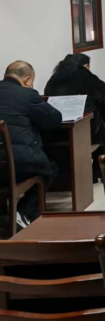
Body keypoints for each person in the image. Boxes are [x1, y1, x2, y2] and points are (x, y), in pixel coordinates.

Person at [0, 61, 62, 227]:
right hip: (16, 164)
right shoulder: (27, 95)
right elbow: (54, 119)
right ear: (27, 80)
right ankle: (24, 212)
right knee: (50, 168)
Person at [44, 54, 105, 153]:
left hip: (56, 131)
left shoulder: (54, 78)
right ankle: (104, 160)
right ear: (86, 65)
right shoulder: (84, 75)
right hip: (84, 128)